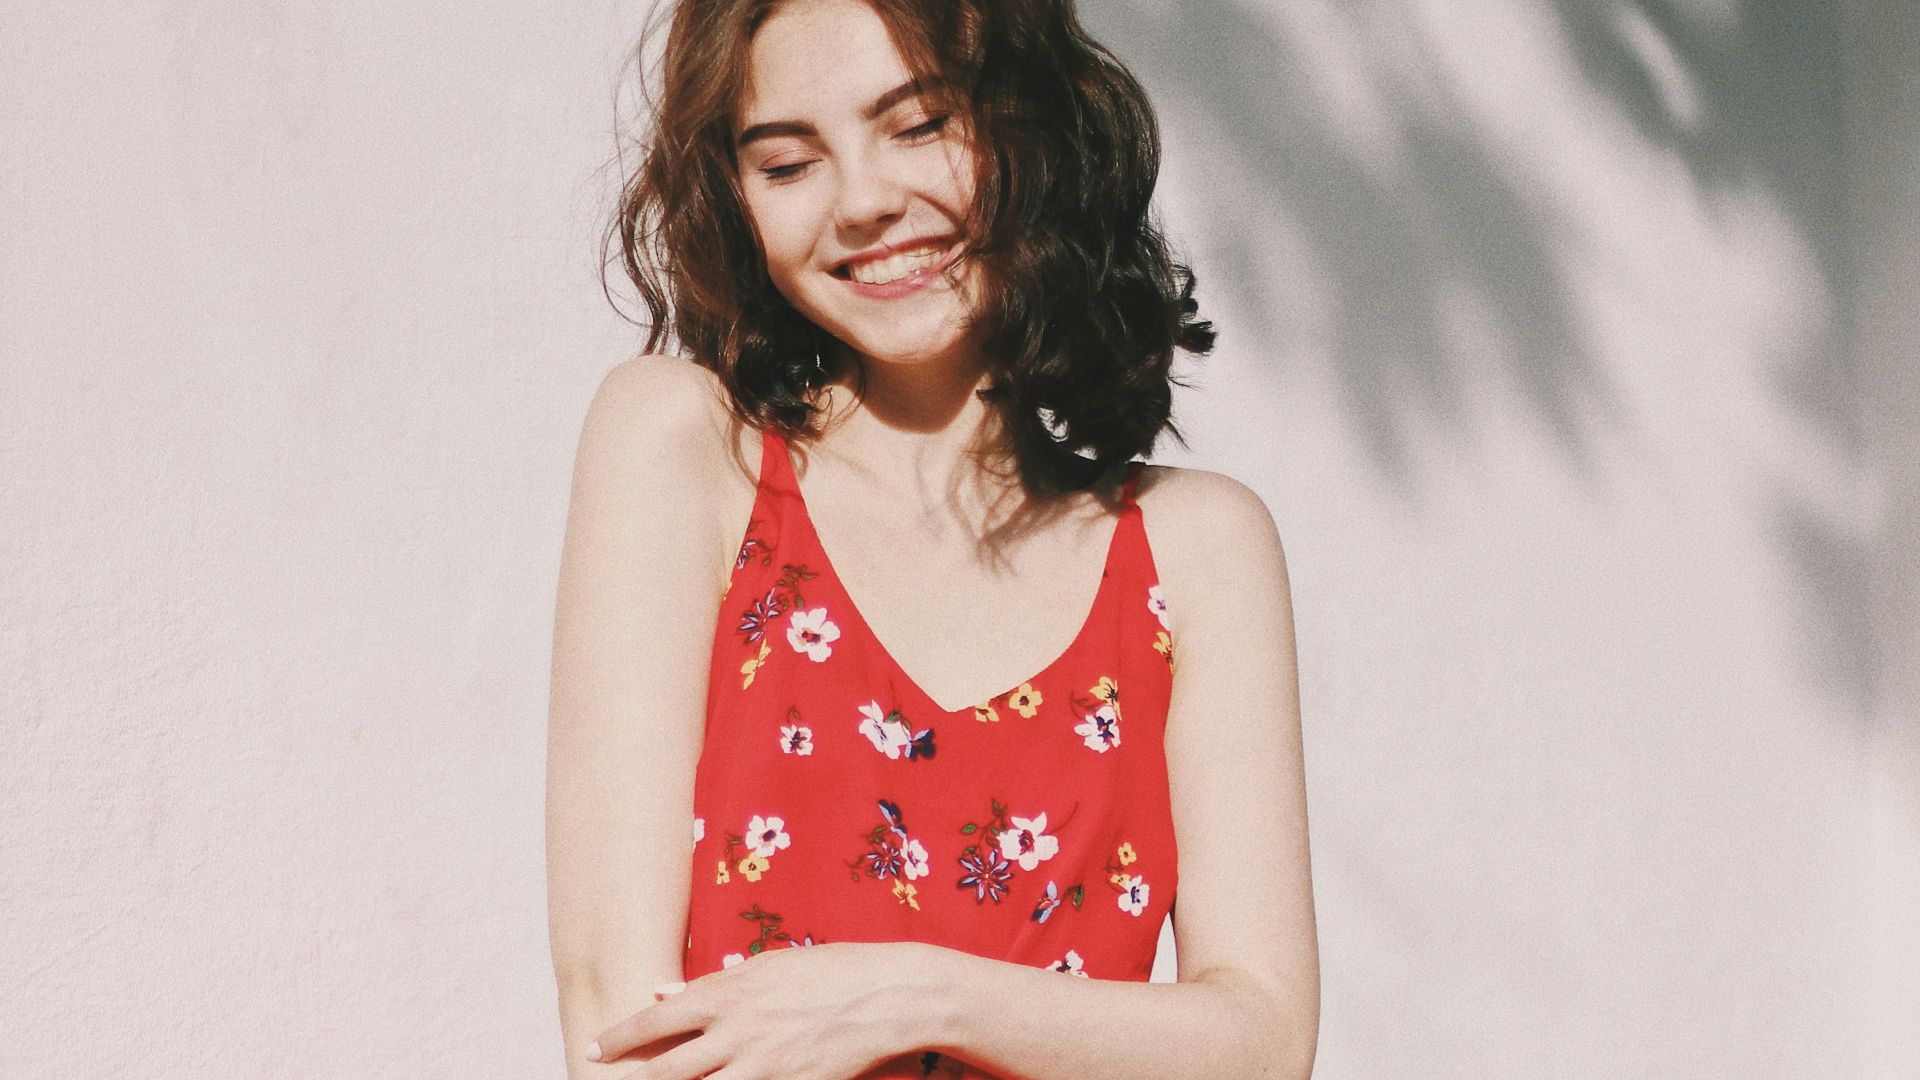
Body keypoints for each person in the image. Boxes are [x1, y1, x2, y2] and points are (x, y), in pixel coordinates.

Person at [547, 0, 1318, 1077]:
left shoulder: (1195, 548)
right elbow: (619, 1028)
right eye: (787, 164)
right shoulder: (689, 449)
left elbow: (1265, 1043)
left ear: (1033, 129)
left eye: (920, 126)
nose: (864, 201)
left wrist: (918, 995)